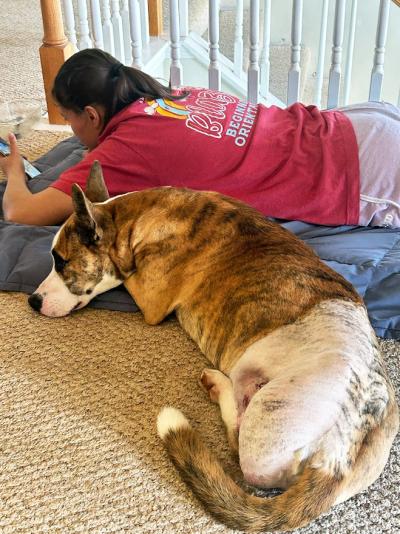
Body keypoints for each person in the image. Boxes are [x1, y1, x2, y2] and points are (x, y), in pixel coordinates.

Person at [1, 48, 400, 228]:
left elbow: (22, 213)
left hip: (361, 167)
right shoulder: (177, 94)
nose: (72, 132)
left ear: (91, 114)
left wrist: (15, 170)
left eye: (70, 120)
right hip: (362, 120)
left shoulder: (123, 152)